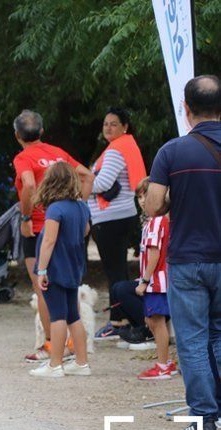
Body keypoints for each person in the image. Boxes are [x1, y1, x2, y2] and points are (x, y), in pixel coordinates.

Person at [145, 74, 221, 430]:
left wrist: (177, 198)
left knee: (192, 340)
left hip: (189, 259)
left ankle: (205, 419)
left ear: (186, 109)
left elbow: (154, 204)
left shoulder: (172, 152)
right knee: (220, 336)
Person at [12, 109, 94, 363]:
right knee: (69, 287)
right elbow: (87, 175)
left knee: (43, 288)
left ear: (17, 135)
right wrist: (79, 207)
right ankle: (72, 347)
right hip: (67, 225)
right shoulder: (58, 153)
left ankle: (50, 346)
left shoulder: (24, 157)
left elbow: (27, 184)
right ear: (42, 132)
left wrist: (26, 217)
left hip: (39, 227)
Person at [29, 162, 92, 378]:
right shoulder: (82, 206)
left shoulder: (55, 209)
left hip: (55, 268)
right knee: (74, 316)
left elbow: (49, 241)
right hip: (74, 268)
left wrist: (42, 270)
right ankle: (82, 363)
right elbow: (85, 231)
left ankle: (54, 365)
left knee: (57, 317)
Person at [89, 107, 144, 341]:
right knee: (119, 270)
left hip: (110, 219)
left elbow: (101, 184)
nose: (108, 127)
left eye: (113, 123)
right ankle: (124, 320)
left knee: (115, 273)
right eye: (105, 123)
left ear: (125, 127)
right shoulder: (126, 147)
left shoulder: (114, 152)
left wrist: (78, 181)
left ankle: (117, 322)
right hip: (121, 216)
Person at [129, 179, 176, 380]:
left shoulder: (156, 222)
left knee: (156, 322)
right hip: (158, 280)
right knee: (153, 320)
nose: (142, 201)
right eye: (139, 196)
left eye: (145, 196)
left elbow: (155, 253)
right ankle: (165, 361)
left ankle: (163, 364)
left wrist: (145, 280)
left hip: (157, 281)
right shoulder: (156, 221)